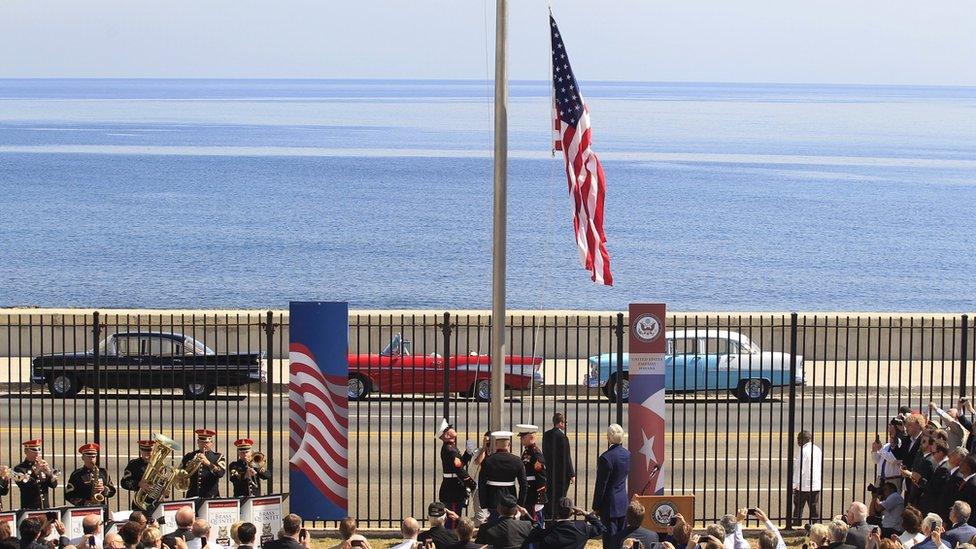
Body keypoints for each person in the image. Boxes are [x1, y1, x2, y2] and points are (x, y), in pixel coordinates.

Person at [593, 424, 629, 549]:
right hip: (622, 502)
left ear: (608, 438)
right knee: (621, 541)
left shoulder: (606, 458)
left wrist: (596, 506)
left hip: (609, 506)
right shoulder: (627, 454)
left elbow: (601, 485)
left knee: (609, 542)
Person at [477, 431, 526, 522]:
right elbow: (523, 485)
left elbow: (481, 485)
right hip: (511, 501)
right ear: (509, 444)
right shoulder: (517, 461)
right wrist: (519, 505)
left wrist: (484, 506)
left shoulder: (488, 461)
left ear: (495, 444)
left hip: (492, 500)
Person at [435, 420, 476, 529]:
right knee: (453, 521)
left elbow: (459, 464)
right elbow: (459, 470)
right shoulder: (450, 449)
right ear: (447, 435)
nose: (453, 429)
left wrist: (468, 453)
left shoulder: (451, 447)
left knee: (454, 517)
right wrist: (471, 483)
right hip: (453, 490)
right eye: (449, 428)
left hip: (453, 487)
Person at [524, 496, 604, 549]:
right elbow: (601, 528)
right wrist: (586, 513)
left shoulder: (549, 532)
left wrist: (527, 515)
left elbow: (534, 533)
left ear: (556, 512)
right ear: (572, 512)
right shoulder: (582, 528)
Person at [542, 413, 575, 519]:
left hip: (550, 471)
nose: (565, 424)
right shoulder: (563, 437)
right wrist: (571, 474)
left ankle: (548, 516)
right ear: (560, 423)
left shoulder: (546, 435)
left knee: (550, 495)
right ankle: (558, 516)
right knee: (560, 497)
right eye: (565, 422)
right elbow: (566, 457)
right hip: (561, 474)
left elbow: (545, 452)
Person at [516, 424, 547, 527]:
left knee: (535, 522)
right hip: (528, 492)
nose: (521, 439)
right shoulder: (527, 451)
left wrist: (539, 498)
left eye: (523, 437)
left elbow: (541, 477)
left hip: (534, 494)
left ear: (531, 437)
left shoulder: (536, 453)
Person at [14, 439, 60, 510]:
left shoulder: (42, 466)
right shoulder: (20, 468)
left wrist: (48, 472)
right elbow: (24, 486)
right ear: (26, 451)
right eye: (33, 451)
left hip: (45, 508)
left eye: (38, 450)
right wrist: (35, 471)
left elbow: (53, 485)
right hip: (30, 508)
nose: (37, 453)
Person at [181, 430, 226, 499]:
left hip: (211, 496)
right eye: (201, 442)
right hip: (192, 494)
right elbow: (180, 472)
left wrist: (208, 463)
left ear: (211, 443)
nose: (204, 445)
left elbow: (220, 473)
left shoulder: (218, 457)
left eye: (206, 442)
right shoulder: (189, 456)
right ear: (198, 442)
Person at [794, 430, 824, 525]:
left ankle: (796, 524)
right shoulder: (817, 449)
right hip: (815, 484)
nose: (798, 442)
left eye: (799, 439)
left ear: (804, 439)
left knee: (798, 507)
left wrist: (794, 484)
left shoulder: (803, 451)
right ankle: (817, 527)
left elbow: (799, 469)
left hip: (803, 484)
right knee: (814, 508)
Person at [904, 435, 936, 508]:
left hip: (918, 500)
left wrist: (911, 501)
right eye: (921, 441)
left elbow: (919, 483)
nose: (921, 443)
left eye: (924, 442)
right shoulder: (922, 457)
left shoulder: (928, 461)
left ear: (930, 445)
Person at [920, 441, 951, 516]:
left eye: (933, 453)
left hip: (933, 507)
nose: (932, 455)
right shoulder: (941, 465)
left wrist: (919, 480)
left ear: (940, 453)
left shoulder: (944, 468)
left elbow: (934, 488)